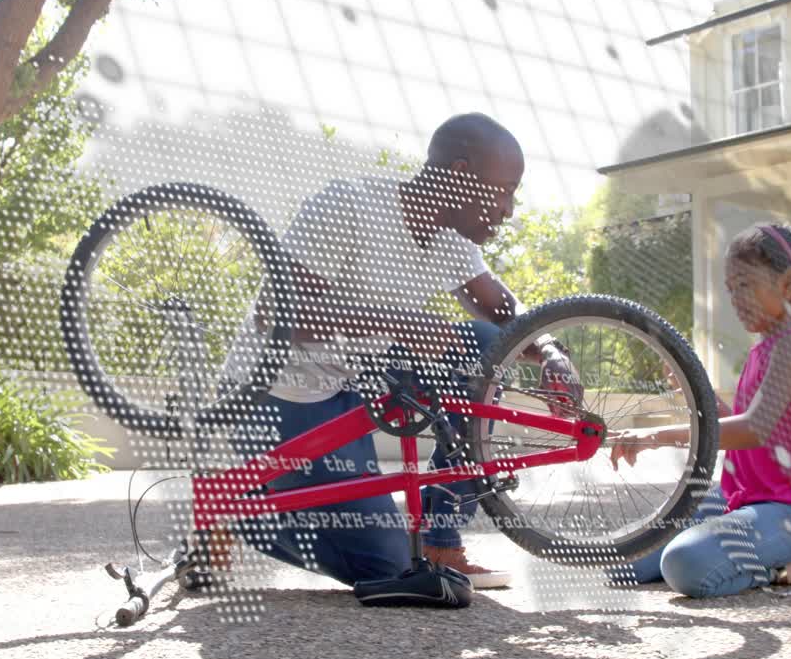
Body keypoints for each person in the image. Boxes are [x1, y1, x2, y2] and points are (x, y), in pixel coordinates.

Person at [222, 113, 580, 592]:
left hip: (354, 384)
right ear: (459, 175)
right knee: (386, 564)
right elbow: (277, 314)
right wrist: (399, 323)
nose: (509, 209)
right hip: (275, 395)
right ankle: (231, 509)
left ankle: (440, 539)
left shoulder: (451, 240)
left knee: (483, 346)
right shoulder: (348, 206)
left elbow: (504, 314)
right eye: (503, 191)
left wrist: (551, 350)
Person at [608, 223, 791, 598]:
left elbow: (754, 428)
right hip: (742, 498)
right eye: (731, 289)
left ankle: (784, 567)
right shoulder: (763, 349)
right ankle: (742, 553)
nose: (735, 298)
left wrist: (655, 436)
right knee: (626, 561)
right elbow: (744, 431)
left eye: (744, 284)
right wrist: (695, 389)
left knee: (682, 564)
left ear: (788, 284)